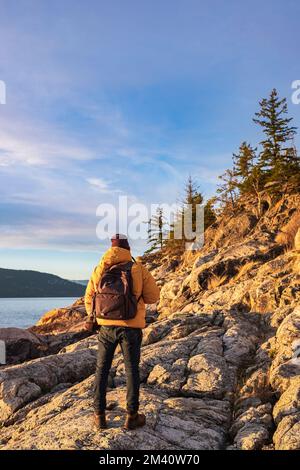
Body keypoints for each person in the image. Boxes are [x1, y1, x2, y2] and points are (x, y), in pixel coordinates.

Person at [84, 234, 160, 431]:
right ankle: (132, 416)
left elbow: (89, 299)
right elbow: (153, 297)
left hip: (106, 328)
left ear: (111, 248)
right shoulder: (137, 268)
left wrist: (101, 317)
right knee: (131, 370)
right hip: (131, 327)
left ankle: (99, 415)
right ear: (128, 249)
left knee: (101, 369)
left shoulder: (100, 269)